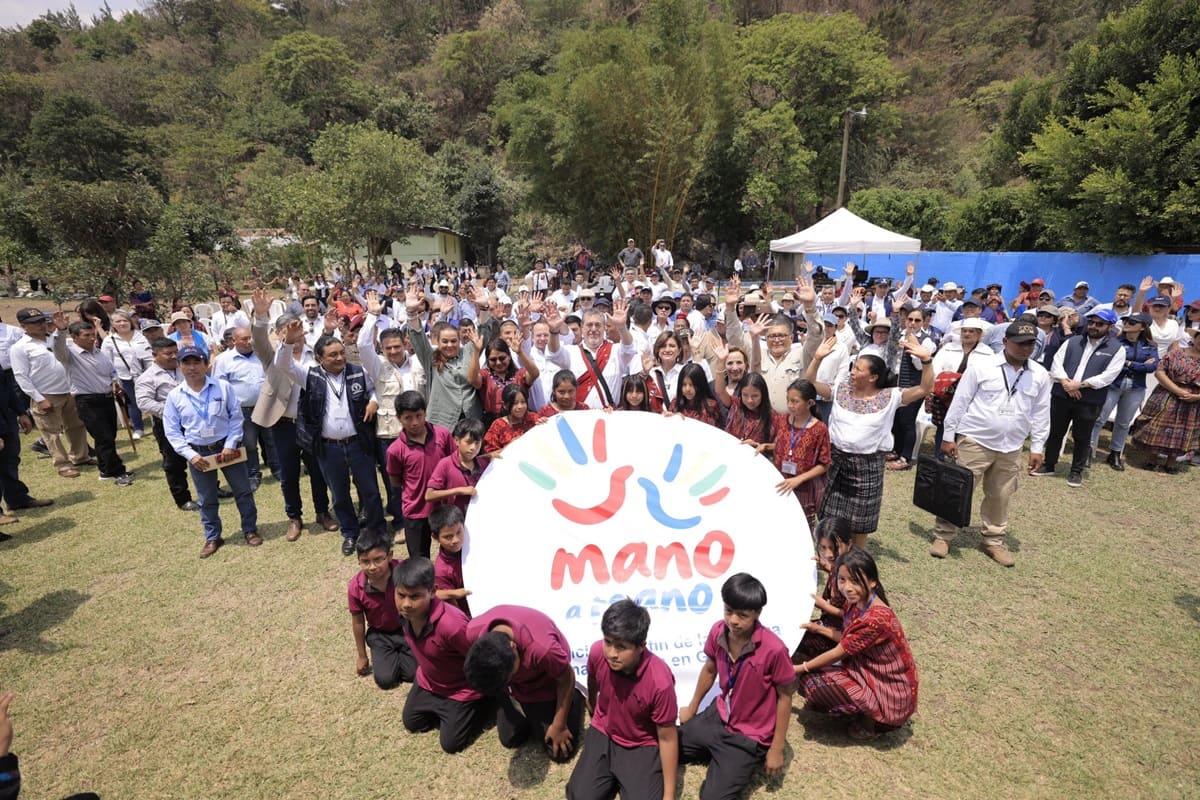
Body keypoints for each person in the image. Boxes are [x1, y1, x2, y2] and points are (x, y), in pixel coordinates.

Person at [934, 319, 1051, 566]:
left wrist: (1038, 447)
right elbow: (960, 402)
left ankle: (993, 541)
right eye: (1019, 343)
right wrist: (948, 436)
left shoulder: (1039, 374)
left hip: (1011, 445)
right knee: (959, 489)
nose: (1025, 348)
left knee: (1000, 495)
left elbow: (1041, 412)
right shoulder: (982, 366)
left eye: (1030, 344)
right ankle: (943, 536)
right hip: (976, 439)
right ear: (1005, 342)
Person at [806, 334, 933, 549]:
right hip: (835, 460)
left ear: (873, 377)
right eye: (853, 367)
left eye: (858, 369)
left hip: (867, 466)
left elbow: (925, 389)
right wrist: (817, 359)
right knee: (828, 514)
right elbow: (809, 383)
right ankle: (827, 553)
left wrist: (927, 361)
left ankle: (854, 557)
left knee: (860, 522)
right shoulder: (839, 390)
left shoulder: (891, 396)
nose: (852, 372)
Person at [678, 574, 794, 800]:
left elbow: (785, 698)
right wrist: (692, 708)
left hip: (749, 735)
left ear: (757, 614)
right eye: (728, 611)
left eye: (743, 615)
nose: (733, 620)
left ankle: (733, 761)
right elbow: (710, 669)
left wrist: (777, 748)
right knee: (667, 746)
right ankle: (716, 755)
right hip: (718, 715)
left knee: (713, 797)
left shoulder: (774, 650)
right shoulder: (717, 631)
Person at [279, 322, 385, 556]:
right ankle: (350, 533)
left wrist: (374, 400)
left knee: (370, 490)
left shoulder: (358, 371)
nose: (339, 358)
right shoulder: (309, 375)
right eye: (332, 355)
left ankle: (378, 530)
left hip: (358, 444)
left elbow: (376, 387)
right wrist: (288, 341)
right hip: (328, 447)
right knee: (339, 494)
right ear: (319, 358)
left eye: (341, 353)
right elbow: (283, 364)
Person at [795, 549, 918, 740]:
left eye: (855, 581)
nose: (847, 587)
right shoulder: (858, 601)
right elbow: (846, 633)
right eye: (842, 580)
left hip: (889, 694)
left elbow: (839, 651)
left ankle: (873, 723)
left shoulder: (876, 619)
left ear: (872, 582)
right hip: (865, 669)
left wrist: (800, 668)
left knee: (814, 685)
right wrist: (817, 627)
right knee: (813, 668)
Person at [566, 599, 678, 800]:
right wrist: (592, 701)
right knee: (578, 795)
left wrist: (669, 796)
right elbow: (592, 679)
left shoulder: (660, 682)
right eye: (608, 642)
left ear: (641, 646)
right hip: (604, 731)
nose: (611, 653)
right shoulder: (597, 653)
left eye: (621, 647)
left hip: (640, 743)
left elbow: (667, 737)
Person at [163, 346, 259, 558]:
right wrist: (191, 455)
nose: (192, 367)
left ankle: (250, 529)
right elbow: (172, 431)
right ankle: (213, 536)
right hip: (199, 454)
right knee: (206, 498)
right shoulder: (175, 396)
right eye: (186, 363)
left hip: (226, 448)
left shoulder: (223, 387)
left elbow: (236, 418)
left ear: (206, 365)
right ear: (180, 367)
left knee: (242, 491)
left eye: (197, 362)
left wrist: (230, 444)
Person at [252, 309, 337, 542]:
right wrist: (260, 318)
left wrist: (329, 329)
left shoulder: (315, 354)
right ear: (279, 333)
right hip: (283, 425)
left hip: (312, 424)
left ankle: (323, 512)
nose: (295, 334)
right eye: (288, 330)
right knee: (289, 474)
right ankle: (294, 517)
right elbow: (258, 340)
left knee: (318, 470)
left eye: (297, 329)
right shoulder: (272, 354)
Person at [394, 557, 494, 754]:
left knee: (450, 744)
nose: (406, 604)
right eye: (401, 595)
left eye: (414, 597)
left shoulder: (452, 625)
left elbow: (479, 659)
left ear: (432, 592)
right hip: (430, 682)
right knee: (412, 723)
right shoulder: (405, 613)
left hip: (462, 688)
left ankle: (486, 704)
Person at [463, 604, 585, 762]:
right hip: (514, 689)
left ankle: (576, 699)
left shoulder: (543, 649)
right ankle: (523, 708)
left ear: (513, 647)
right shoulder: (473, 631)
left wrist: (559, 724)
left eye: (509, 674)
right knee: (511, 739)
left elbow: (566, 677)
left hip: (544, 683)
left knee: (559, 752)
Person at [1035, 308, 1124, 487]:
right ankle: (1049, 464)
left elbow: (1108, 376)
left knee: (1082, 437)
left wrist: (1080, 385)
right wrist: (1067, 383)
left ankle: (1076, 471)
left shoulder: (1117, 349)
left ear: (1110, 326)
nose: (1094, 326)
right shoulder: (1074, 341)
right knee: (1055, 432)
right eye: (1091, 322)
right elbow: (1057, 363)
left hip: (1089, 400)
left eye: (1100, 324)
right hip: (1062, 394)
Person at [51, 315, 132, 486]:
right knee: (104, 437)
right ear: (74, 338)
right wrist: (60, 330)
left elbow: (111, 372)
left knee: (109, 435)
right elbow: (57, 347)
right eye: (85, 335)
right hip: (87, 401)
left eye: (92, 334)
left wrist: (115, 383)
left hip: (108, 398)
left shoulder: (98, 352)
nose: (91, 338)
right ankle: (118, 472)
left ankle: (105, 470)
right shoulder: (69, 354)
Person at [11, 308, 91, 478]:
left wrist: (61, 330)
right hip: (46, 393)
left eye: (42, 321)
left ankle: (80, 456)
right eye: (35, 323)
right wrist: (39, 399)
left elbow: (63, 351)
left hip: (68, 389)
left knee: (76, 426)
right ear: (24, 326)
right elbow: (21, 376)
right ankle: (62, 465)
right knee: (51, 432)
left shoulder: (53, 338)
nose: (41, 325)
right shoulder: (20, 347)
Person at [386, 391, 455, 559]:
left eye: (419, 415)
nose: (415, 422)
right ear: (399, 418)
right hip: (416, 511)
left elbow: (453, 463)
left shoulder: (443, 435)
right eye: (408, 418)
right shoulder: (395, 450)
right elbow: (395, 480)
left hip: (444, 507)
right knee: (419, 559)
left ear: (425, 412)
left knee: (453, 551)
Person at [1090, 313, 1159, 471]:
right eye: (1126, 320)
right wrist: (1137, 364)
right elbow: (1112, 363)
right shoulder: (1114, 341)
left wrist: (1128, 363)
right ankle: (1088, 450)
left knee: (1123, 423)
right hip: (1114, 384)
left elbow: (1152, 367)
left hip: (1135, 387)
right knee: (1100, 418)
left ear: (1142, 327)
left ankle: (1115, 453)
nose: (1127, 323)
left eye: (1132, 322)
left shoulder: (1150, 345)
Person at [135, 338, 198, 511]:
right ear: (154, 356)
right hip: (168, 425)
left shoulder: (184, 369)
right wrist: (172, 411)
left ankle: (212, 489)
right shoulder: (147, 378)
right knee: (174, 463)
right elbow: (144, 402)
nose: (173, 356)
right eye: (167, 353)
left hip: (194, 421)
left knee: (202, 455)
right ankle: (183, 498)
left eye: (175, 352)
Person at [348, 530, 416, 690]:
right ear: (358, 561)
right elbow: (357, 622)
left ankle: (405, 652)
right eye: (365, 561)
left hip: (407, 628)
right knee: (386, 680)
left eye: (378, 559)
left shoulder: (404, 572)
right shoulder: (355, 587)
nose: (372, 567)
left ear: (390, 556)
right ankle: (389, 655)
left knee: (414, 674)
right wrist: (362, 656)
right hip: (380, 635)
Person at [405, 286, 481, 428]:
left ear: (460, 341)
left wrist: (484, 308)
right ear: (437, 342)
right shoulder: (431, 358)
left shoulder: (467, 352)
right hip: (442, 424)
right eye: (444, 341)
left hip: (471, 421)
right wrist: (411, 312)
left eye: (454, 341)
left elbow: (482, 335)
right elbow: (418, 337)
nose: (449, 345)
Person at [212, 326, 275, 490]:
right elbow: (219, 387)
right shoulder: (223, 361)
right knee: (249, 444)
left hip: (266, 406)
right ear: (233, 341)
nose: (249, 342)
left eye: (250, 338)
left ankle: (278, 469)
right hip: (242, 410)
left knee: (271, 440)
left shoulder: (262, 355)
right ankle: (253, 474)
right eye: (244, 339)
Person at [1132, 327, 1200, 474]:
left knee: (1183, 430)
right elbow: (1160, 372)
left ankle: (1171, 462)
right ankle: (1152, 459)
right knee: (1158, 426)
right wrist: (1177, 390)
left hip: (1193, 402)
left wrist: (1196, 397)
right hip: (1167, 394)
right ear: (1195, 338)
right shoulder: (1176, 353)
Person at [794, 518, 853, 663]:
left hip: (845, 636)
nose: (828, 554)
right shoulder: (840, 565)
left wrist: (824, 607)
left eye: (834, 547)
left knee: (797, 637)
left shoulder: (854, 573)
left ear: (849, 544)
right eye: (822, 548)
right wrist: (827, 568)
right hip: (830, 625)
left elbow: (856, 618)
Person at [772, 379, 830, 525]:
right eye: (788, 400)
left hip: (804, 489)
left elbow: (824, 464)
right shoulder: (782, 420)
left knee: (801, 525)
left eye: (795, 401)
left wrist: (799, 479)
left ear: (810, 403)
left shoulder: (819, 429)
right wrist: (763, 445)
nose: (790, 405)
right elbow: (782, 446)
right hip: (781, 484)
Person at [425, 418, 486, 517]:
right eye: (469, 442)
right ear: (457, 441)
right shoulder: (445, 464)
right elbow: (429, 495)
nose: (473, 447)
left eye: (477, 443)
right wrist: (459, 490)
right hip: (455, 523)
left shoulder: (484, 464)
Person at [102, 310, 148, 440]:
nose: (122, 323)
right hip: (125, 376)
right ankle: (138, 427)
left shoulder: (141, 336)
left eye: (125, 320)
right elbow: (107, 362)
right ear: (113, 324)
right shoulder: (109, 341)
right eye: (118, 321)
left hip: (145, 374)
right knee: (133, 402)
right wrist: (113, 380)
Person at [430, 504, 471, 617]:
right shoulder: (441, 571)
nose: (456, 540)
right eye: (448, 537)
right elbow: (454, 606)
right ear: (435, 537)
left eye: (459, 532)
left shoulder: (474, 544)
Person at [483, 383, 535, 455]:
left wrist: (543, 423)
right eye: (515, 403)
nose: (520, 406)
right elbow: (489, 455)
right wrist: (510, 446)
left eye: (523, 402)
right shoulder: (498, 425)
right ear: (505, 405)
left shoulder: (533, 418)